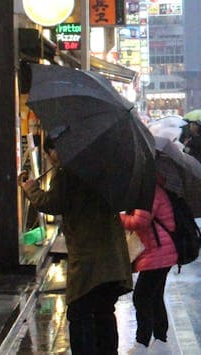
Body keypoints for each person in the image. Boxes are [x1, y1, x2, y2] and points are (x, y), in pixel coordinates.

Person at [20, 139, 132, 354]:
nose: (50, 158)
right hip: (113, 258)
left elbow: (51, 204)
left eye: (49, 153)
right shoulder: (105, 169)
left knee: (80, 314)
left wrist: (31, 188)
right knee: (104, 311)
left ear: (54, 151)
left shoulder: (68, 173)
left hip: (89, 261)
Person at [119, 178, 178, 351]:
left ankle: (143, 341)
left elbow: (140, 221)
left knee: (142, 296)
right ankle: (160, 338)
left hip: (158, 252)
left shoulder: (150, 192)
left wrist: (118, 218)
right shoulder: (150, 190)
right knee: (154, 296)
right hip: (159, 250)